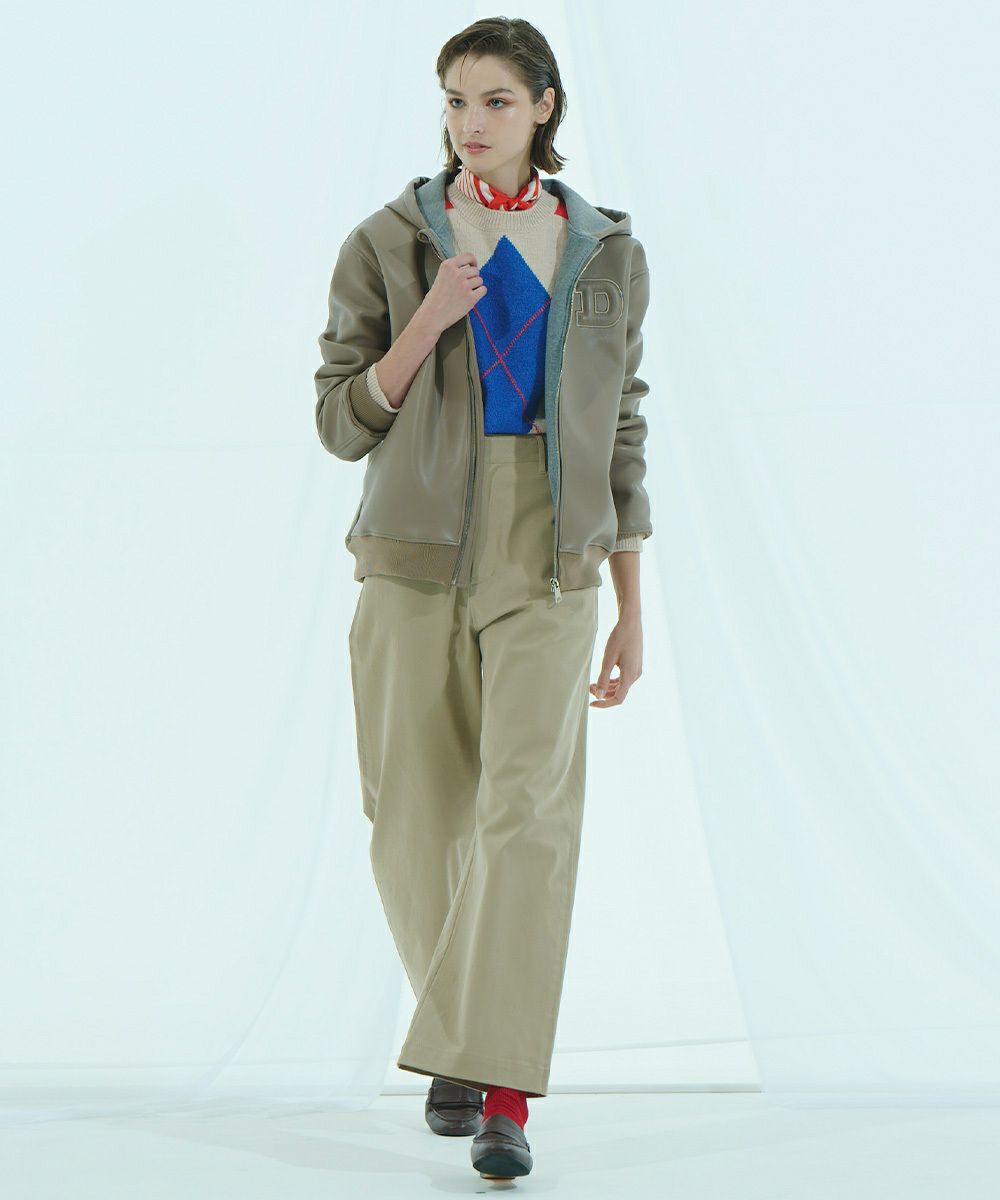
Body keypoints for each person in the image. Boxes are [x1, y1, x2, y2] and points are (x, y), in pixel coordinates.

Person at [314, 16, 652, 1181]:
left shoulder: (605, 251)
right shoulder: (386, 242)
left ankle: (500, 1089)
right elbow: (339, 421)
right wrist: (426, 321)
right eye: (456, 99)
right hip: (411, 553)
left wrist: (630, 605)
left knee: (528, 817)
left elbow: (621, 432)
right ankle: (458, 1036)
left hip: (551, 555)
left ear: (543, 107)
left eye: (497, 99)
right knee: (411, 813)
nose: (471, 120)